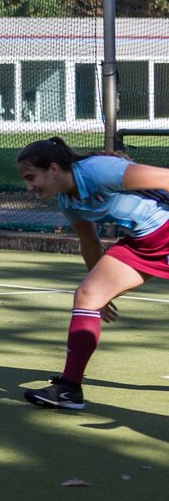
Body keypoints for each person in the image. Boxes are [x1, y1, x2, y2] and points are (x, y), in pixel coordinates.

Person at [16, 137, 169, 410]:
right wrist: (102, 294)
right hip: (141, 242)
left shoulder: (99, 170)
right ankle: (69, 389)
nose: (28, 187)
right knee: (88, 296)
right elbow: (90, 242)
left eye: (31, 177)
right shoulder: (68, 202)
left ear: (53, 169)